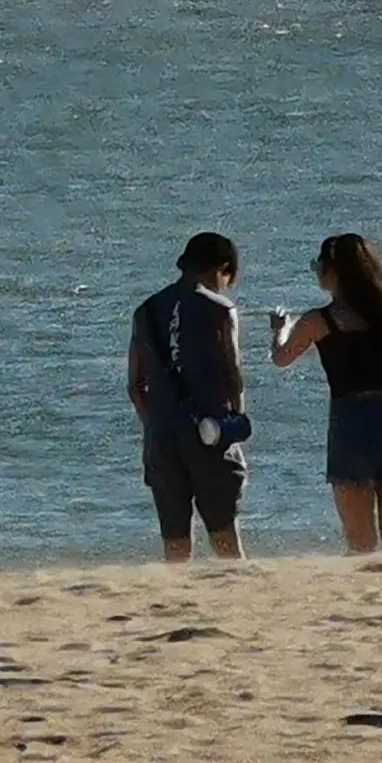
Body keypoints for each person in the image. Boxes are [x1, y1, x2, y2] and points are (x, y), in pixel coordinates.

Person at [268, 232, 382, 554]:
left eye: (318, 266)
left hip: (350, 426)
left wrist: (279, 330)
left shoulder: (320, 321)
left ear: (332, 273)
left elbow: (282, 358)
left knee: (360, 542)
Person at [128, 232, 252, 564]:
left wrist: (152, 421)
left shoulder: (146, 310)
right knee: (224, 535)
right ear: (222, 268)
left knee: (175, 540)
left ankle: (177, 598)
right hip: (208, 428)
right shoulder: (220, 310)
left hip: (162, 432)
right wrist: (234, 421)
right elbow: (233, 375)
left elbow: (135, 385)